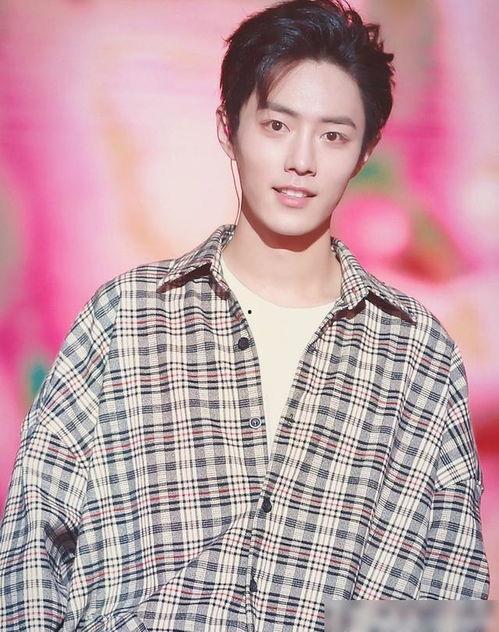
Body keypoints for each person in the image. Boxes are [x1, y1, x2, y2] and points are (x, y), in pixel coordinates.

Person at [0, 0, 490, 630]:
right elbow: (33, 546)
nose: (301, 160)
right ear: (228, 128)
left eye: (333, 135)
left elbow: (447, 594)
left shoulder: (415, 353)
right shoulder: (127, 318)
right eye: (277, 125)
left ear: (365, 151)